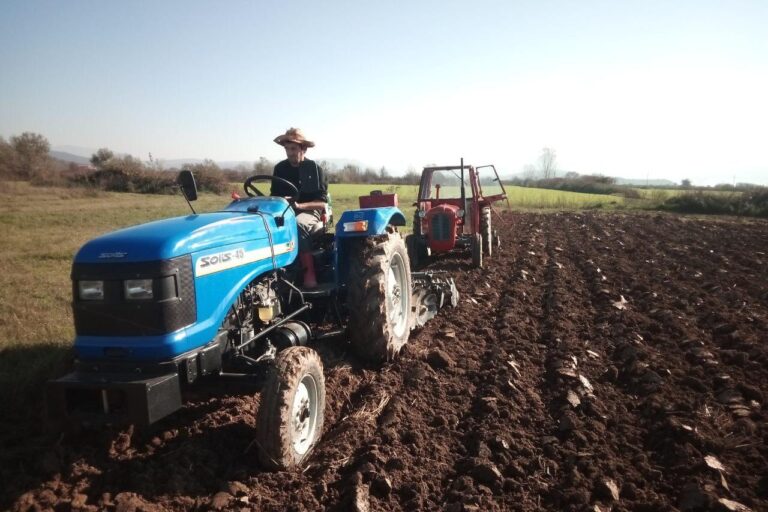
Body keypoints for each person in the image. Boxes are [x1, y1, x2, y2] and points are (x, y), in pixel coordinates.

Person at [271, 127, 329, 288]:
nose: (289, 153)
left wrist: (299, 205)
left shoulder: (315, 170)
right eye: (287, 149)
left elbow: (322, 202)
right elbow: (274, 195)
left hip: (310, 210)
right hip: (284, 209)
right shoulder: (280, 168)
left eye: (293, 148)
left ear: (303, 148)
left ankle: (308, 273)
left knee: (297, 224)